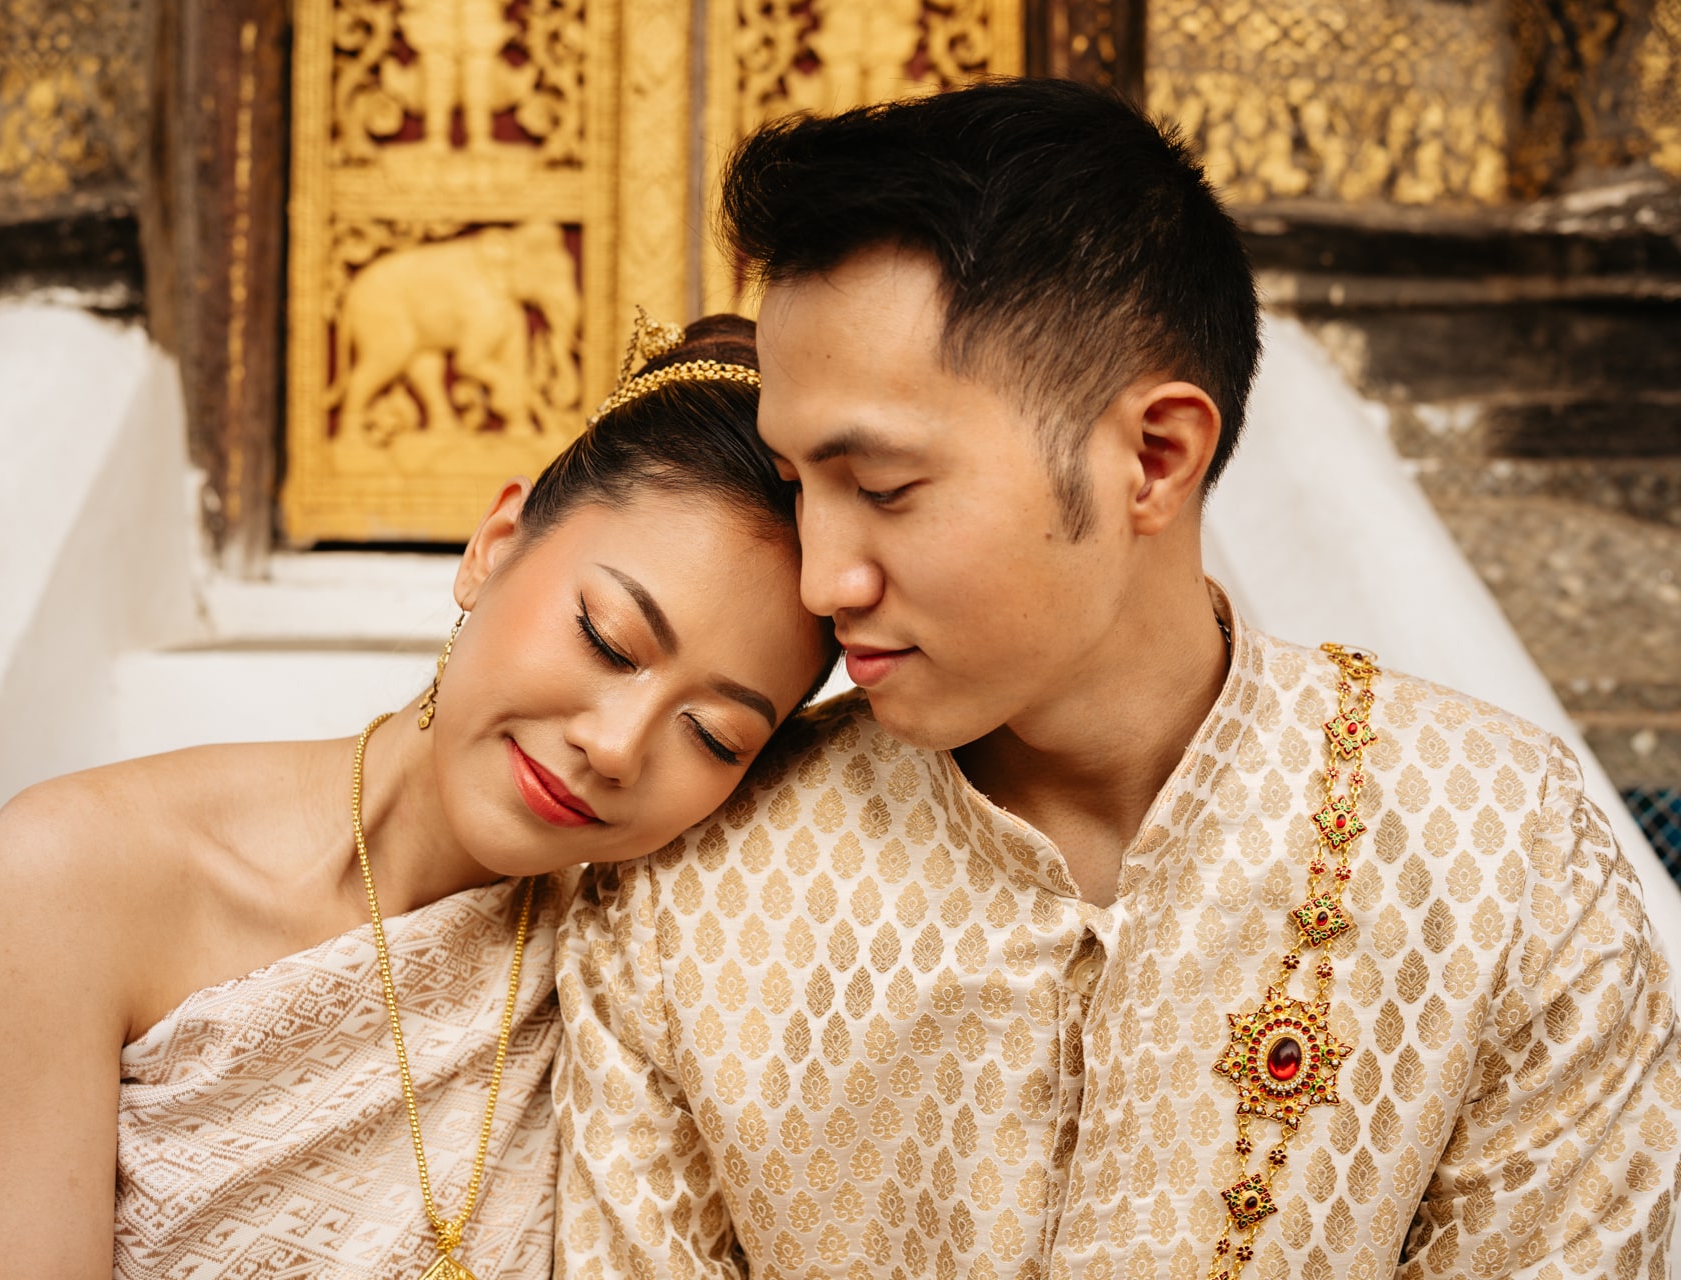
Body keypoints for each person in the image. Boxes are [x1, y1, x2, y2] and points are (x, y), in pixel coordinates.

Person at [554, 80, 1681, 1279]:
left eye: (883, 487)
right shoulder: (690, 890)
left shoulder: (1504, 860)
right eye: (796, 487)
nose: (823, 577)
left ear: (1154, 456)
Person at [0, 314, 835, 1280]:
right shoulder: (69, 879)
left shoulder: (639, 975)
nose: (615, 747)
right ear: (494, 546)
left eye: (713, 736)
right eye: (606, 638)